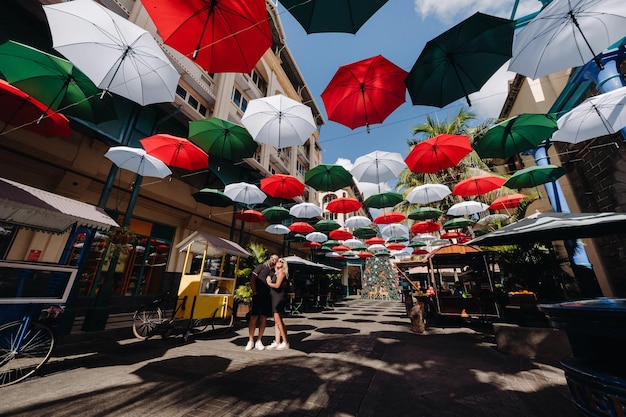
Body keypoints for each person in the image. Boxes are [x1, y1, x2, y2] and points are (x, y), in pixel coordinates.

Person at [245, 254, 277, 351]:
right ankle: (250, 340)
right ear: (269, 259)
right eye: (272, 258)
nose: (273, 260)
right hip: (257, 296)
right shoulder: (261, 267)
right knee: (254, 317)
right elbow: (252, 280)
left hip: (267, 297)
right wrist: (255, 292)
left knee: (264, 318)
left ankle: (259, 340)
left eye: (276, 259)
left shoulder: (273, 273)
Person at [265, 257, 290, 350]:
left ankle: (285, 341)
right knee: (276, 321)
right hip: (274, 297)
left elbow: (277, 285)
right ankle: (277, 341)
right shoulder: (276, 273)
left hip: (279, 298)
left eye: (282, 261)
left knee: (279, 320)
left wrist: (269, 282)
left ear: (284, 265)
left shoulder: (282, 273)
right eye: (278, 261)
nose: (279, 262)